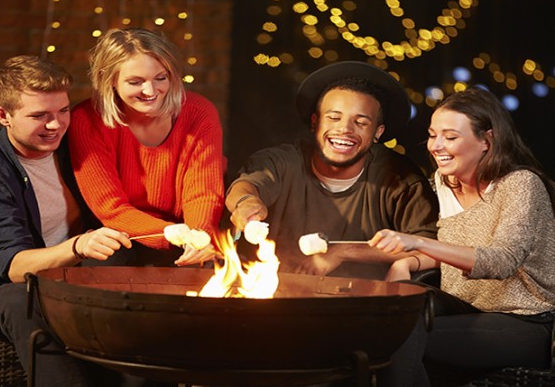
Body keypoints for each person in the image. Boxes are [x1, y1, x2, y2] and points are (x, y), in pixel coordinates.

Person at [0, 55, 132, 385]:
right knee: (27, 303)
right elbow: (16, 267)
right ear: (3, 115)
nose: (56, 125)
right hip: (7, 288)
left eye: (63, 111)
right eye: (39, 116)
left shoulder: (75, 144)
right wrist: (79, 245)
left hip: (77, 274)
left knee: (129, 289)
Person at [370, 87, 555, 377]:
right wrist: (406, 261)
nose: (436, 145)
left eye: (451, 137)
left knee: (401, 338)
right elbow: (450, 251)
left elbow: (501, 261)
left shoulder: (520, 184)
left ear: (486, 140)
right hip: (466, 307)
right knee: (402, 306)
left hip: (524, 321)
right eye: (433, 135)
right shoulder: (444, 183)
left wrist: (416, 243)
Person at [226, 61, 439, 279]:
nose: (345, 129)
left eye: (361, 122)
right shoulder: (282, 161)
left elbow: (429, 247)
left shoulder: (400, 177)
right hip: (273, 296)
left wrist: (343, 252)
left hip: (366, 303)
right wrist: (247, 203)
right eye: (334, 117)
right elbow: (246, 186)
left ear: (378, 132)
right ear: (314, 122)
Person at [69, 28, 225, 268]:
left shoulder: (199, 112)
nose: (151, 91)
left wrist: (198, 237)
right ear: (109, 79)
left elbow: (202, 194)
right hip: (119, 236)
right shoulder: (87, 120)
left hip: (185, 235)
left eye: (160, 78)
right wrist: (174, 235)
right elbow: (111, 209)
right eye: (135, 82)